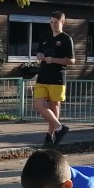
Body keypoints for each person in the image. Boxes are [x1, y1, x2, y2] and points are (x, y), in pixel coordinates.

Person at [34, 11, 75, 148]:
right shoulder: (45, 36)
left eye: (56, 22)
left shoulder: (66, 39)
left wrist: (54, 60)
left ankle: (49, 136)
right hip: (42, 75)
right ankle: (59, 127)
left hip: (57, 77)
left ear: (62, 22)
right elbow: (39, 51)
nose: (53, 25)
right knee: (38, 105)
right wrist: (39, 55)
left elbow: (71, 60)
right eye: (51, 22)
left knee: (54, 106)